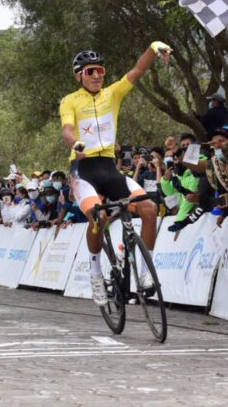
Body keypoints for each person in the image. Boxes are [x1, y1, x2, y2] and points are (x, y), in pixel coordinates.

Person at [59, 42, 172, 306]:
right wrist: (74, 143)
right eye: (90, 71)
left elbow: (136, 71)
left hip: (110, 168)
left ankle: (146, 274)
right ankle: (96, 274)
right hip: (83, 170)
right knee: (98, 217)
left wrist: (153, 48)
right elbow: (67, 129)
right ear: (79, 76)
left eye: (100, 70)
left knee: (148, 208)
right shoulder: (70, 100)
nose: (97, 75)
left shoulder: (113, 94)